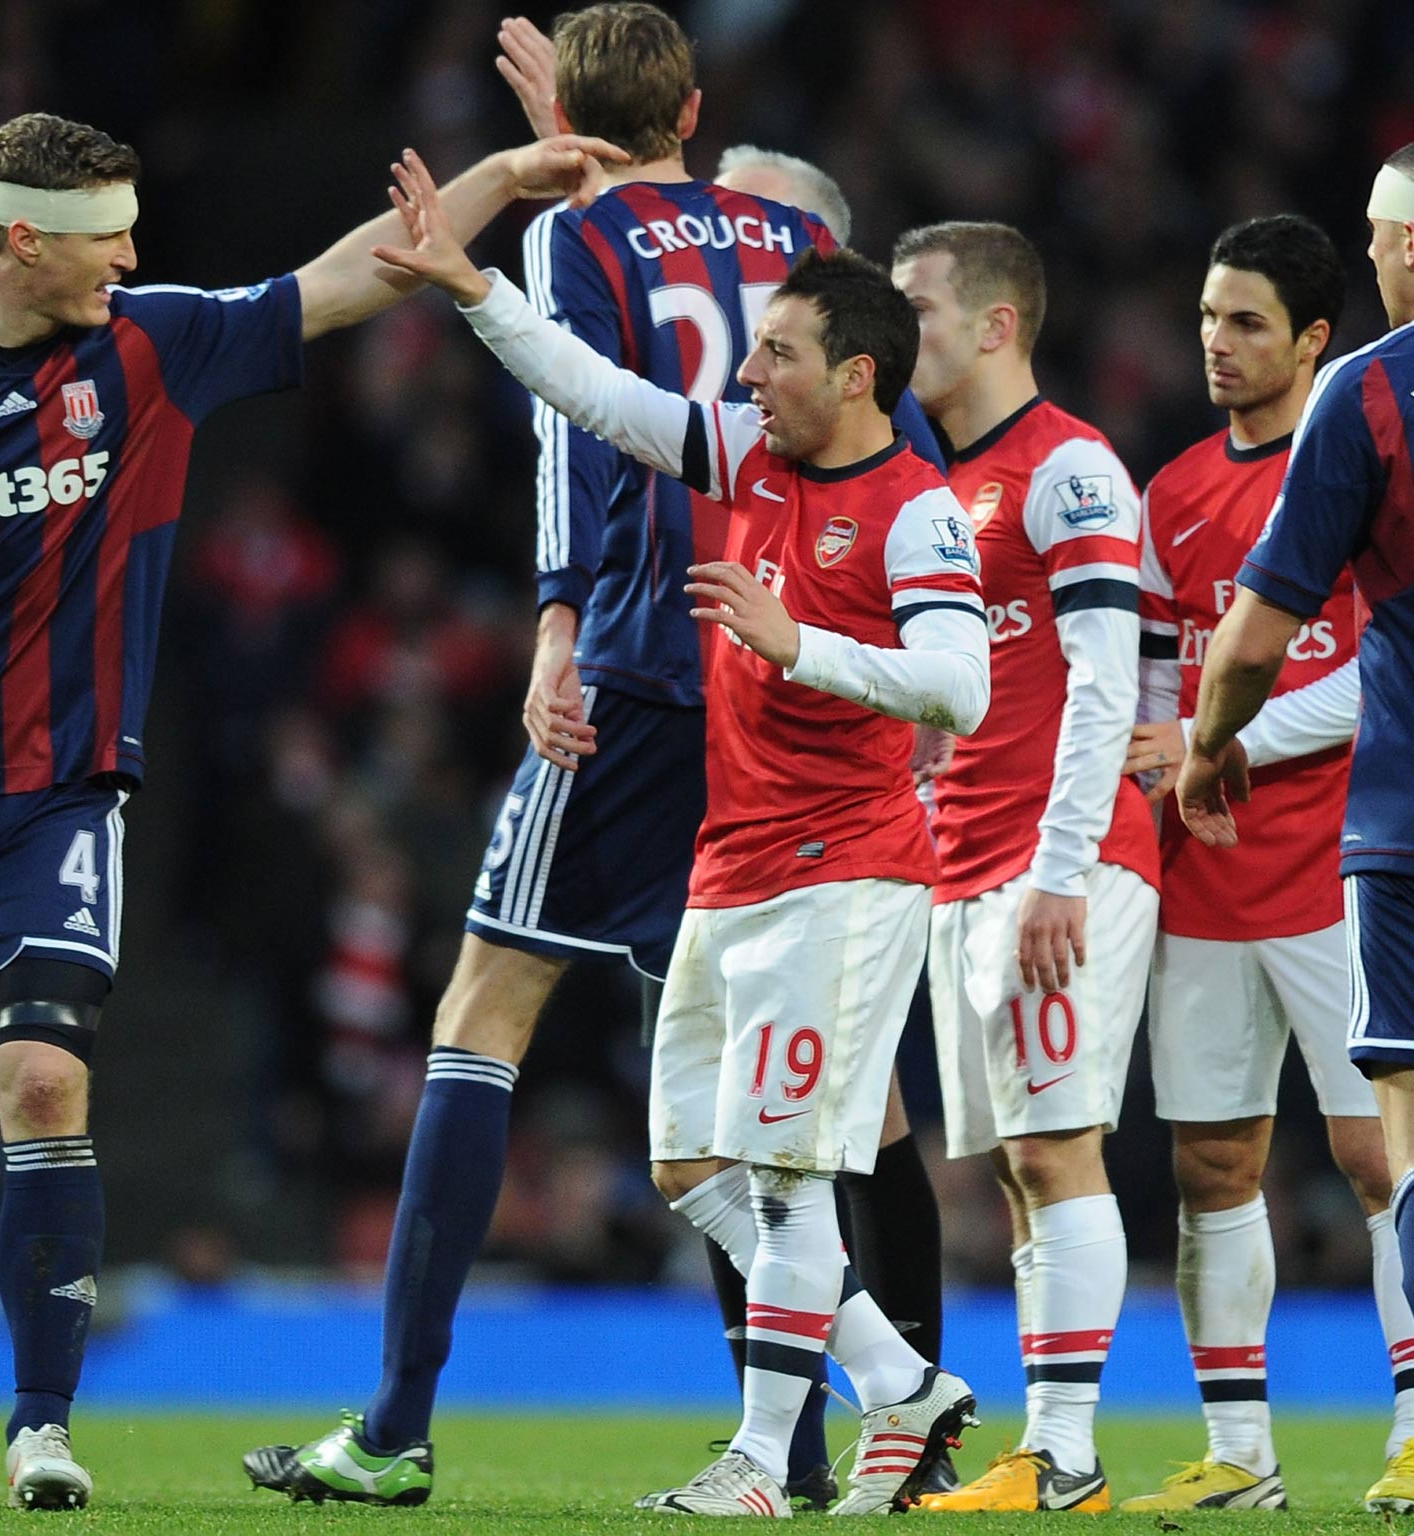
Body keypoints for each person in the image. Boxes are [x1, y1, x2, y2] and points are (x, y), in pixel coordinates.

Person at [0, 111, 624, 1512]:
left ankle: (46, 1425)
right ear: (21, 240)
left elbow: (345, 279)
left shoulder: (148, 342)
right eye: (103, 238)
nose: (131, 257)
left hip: (56, 791)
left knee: (48, 1080)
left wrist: (497, 180)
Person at [243, 7, 938, 1512]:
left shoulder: (579, 237)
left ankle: (395, 1424)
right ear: (698, 105)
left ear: (575, 122)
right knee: (740, 1089)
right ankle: (815, 1439)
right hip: (788, 676)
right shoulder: (791, 231)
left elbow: (587, 425)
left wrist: (558, 624)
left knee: (487, 1005)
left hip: (640, 665)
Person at [370, 145, 986, 1518]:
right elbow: (599, 396)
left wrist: (800, 642)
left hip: (847, 870)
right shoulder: (744, 452)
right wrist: (474, 285)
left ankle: (764, 1465)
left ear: (857, 377)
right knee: (687, 1164)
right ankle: (902, 1385)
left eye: (775, 353)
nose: (747, 374)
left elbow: (960, 684)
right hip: (732, 865)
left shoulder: (915, 512)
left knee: (777, 1178)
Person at [1178, 131, 1414, 1536]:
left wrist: (1206, 743)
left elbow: (1255, 633)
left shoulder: (1370, 390)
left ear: (1410, 240)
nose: (1370, 255)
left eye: (1375, 236)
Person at [1118, 215, 1414, 1514]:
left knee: (1388, 1162)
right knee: (1214, 1166)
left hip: (1343, 871)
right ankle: (1240, 1458)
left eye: (1248, 321)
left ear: (1317, 338)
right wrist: (1157, 766)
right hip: (1204, 875)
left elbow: (1384, 678)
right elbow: (1155, 670)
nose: (1218, 342)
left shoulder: (1370, 467)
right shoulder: (1175, 492)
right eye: (1209, 317)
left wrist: (1216, 734)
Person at [888, 224, 1155, 1516]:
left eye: (918, 310)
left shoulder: (1071, 471)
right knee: (1010, 1170)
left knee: (1059, 1153)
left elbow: (1107, 690)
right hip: (968, 861)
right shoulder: (944, 486)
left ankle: (1065, 1456)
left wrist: (1059, 872)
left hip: (1062, 862)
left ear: (998, 325)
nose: (898, 335)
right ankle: (1050, 1452)